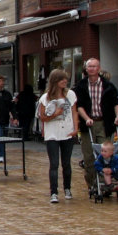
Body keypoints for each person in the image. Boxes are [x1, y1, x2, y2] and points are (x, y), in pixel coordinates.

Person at [73, 58, 118, 191]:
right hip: (88, 124)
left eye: (94, 66)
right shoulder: (81, 86)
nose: (92, 69)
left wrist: (117, 116)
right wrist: (86, 118)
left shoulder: (107, 85)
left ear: (99, 68)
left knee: (104, 154)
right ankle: (92, 184)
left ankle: (103, 184)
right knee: (89, 156)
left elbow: (115, 103)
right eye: (89, 67)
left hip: (103, 123)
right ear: (86, 69)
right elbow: (79, 106)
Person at [39, 69, 79, 203]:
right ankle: (54, 192)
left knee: (66, 163)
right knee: (54, 163)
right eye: (62, 79)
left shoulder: (70, 95)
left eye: (65, 79)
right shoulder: (45, 98)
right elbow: (42, 117)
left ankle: (67, 188)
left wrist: (75, 129)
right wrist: (55, 114)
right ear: (55, 81)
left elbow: (74, 112)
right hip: (52, 134)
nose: (65, 81)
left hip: (67, 132)